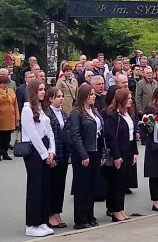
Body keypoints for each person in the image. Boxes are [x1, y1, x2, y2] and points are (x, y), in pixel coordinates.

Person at [21, 80, 55, 237]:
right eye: (40, 89)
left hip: (45, 149)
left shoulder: (42, 108)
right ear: (33, 91)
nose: (43, 92)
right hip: (34, 152)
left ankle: (42, 220)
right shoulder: (27, 109)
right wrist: (44, 154)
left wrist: (51, 151)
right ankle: (31, 224)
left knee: (44, 187)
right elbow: (33, 135)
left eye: (44, 89)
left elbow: (50, 132)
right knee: (35, 187)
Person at [69, 84, 105, 229]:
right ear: (83, 96)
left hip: (95, 151)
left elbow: (100, 133)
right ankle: (80, 219)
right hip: (83, 153)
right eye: (90, 94)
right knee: (82, 186)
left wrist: (103, 153)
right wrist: (83, 154)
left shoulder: (94, 112)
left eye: (94, 94)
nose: (94, 96)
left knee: (92, 186)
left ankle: (90, 215)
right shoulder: (76, 113)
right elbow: (75, 135)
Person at [104, 89, 138, 222]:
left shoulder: (128, 114)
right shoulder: (113, 116)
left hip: (129, 150)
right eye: (128, 98)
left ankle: (121, 208)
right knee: (116, 182)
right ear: (121, 99)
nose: (130, 100)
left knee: (123, 182)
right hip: (119, 152)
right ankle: (114, 210)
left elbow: (133, 135)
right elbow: (110, 137)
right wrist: (116, 156)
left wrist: (135, 152)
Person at [44, 87, 70, 230]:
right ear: (50, 99)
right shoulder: (47, 114)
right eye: (58, 96)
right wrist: (51, 155)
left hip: (64, 153)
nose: (61, 98)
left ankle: (57, 213)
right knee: (52, 186)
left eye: (62, 96)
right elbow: (49, 136)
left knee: (60, 186)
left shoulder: (64, 114)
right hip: (54, 154)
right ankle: (50, 214)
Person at [0, 75, 20, 161]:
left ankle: (5, 153)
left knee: (7, 137)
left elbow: (15, 105)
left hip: (10, 118)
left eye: (6, 83)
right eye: (3, 83)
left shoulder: (11, 91)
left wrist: (17, 118)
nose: (5, 85)